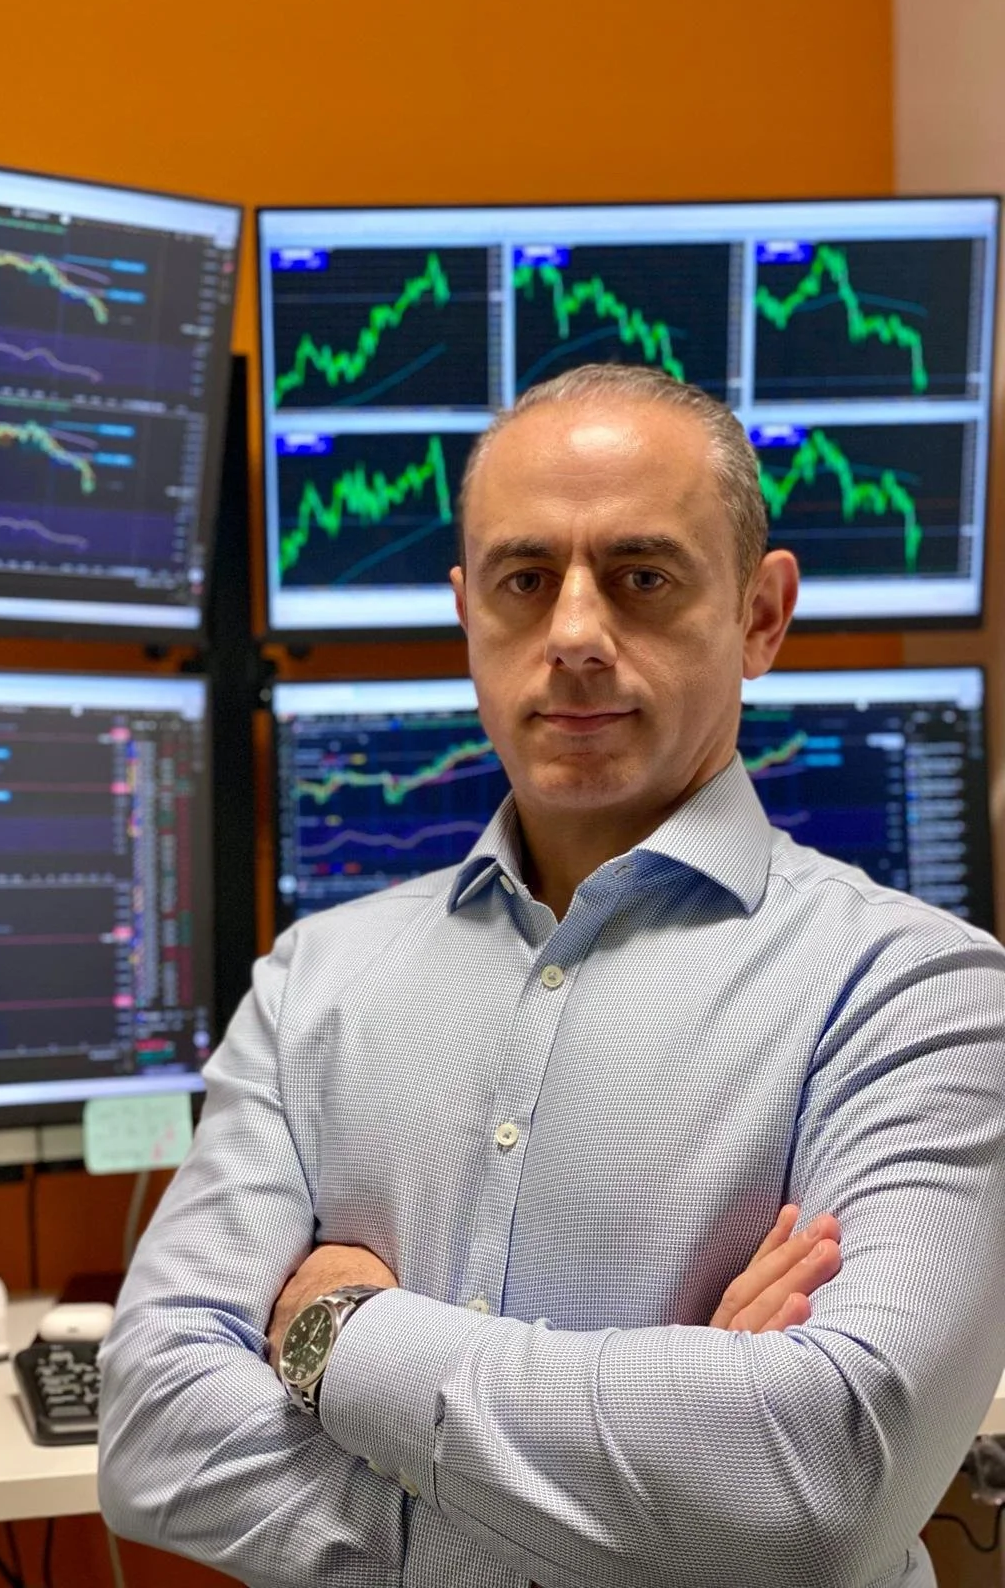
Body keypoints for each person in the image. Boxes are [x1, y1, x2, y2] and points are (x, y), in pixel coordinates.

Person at [98, 363, 1005, 1588]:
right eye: (526, 582)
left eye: (642, 576)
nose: (574, 634)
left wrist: (335, 1335)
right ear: (469, 612)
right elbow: (155, 1432)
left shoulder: (921, 995)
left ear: (760, 614)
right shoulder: (316, 980)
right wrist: (672, 1495)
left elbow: (824, 1487)